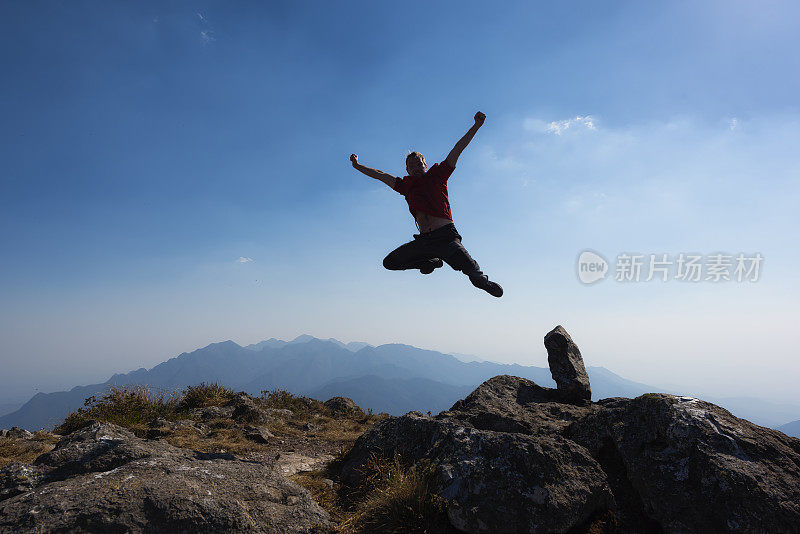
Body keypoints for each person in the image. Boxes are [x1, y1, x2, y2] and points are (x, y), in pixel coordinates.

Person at [350, 111, 503, 297]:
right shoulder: (405, 185)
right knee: (390, 262)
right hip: (424, 242)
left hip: (446, 238)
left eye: (418, 163)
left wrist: (476, 126)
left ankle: (482, 281)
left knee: (472, 272)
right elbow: (380, 175)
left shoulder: (438, 175)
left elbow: (458, 148)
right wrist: (358, 166)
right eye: (411, 166)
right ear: (406, 169)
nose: (415, 167)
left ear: (425, 164)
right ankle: (428, 261)